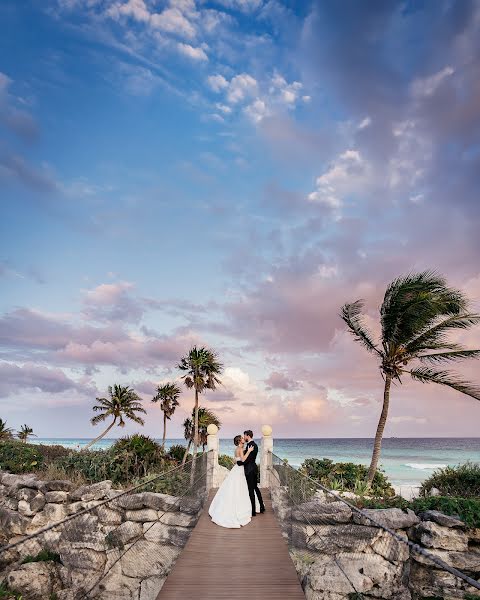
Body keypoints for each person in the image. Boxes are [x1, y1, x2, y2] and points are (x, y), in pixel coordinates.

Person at [208, 434, 259, 528]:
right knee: (239, 488)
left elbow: (235, 460)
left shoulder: (237, 449)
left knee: (235, 488)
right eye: (242, 438)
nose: (244, 439)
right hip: (239, 471)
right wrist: (249, 451)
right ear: (240, 441)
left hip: (236, 469)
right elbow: (243, 459)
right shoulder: (240, 449)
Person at [240, 430, 265, 517]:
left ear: (247, 435)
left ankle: (253, 511)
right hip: (254, 468)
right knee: (256, 488)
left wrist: (240, 463)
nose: (244, 438)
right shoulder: (254, 444)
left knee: (251, 490)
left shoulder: (251, 445)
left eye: (245, 436)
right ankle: (262, 506)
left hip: (250, 470)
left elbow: (247, 460)